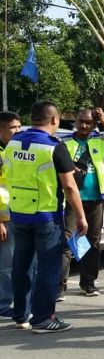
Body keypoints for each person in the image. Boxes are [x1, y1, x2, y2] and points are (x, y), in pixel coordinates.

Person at [6, 101, 88, 333]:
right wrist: (81, 216)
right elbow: (70, 186)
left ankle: (20, 315)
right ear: (54, 120)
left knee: (21, 266)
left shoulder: (13, 142)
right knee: (49, 267)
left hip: (18, 214)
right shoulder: (54, 146)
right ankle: (43, 318)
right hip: (46, 217)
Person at [60, 107, 104, 298]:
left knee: (93, 242)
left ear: (94, 124)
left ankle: (88, 283)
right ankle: (59, 286)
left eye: (88, 122)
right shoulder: (64, 143)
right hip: (71, 200)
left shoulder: (100, 140)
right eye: (80, 121)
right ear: (75, 121)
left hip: (96, 199)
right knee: (66, 242)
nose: (83, 125)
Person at [0, 111, 31, 319]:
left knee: (17, 262)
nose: (18, 131)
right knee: (6, 264)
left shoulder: (16, 150)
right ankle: (3, 304)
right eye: (13, 127)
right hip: (4, 216)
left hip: (19, 212)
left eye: (20, 127)